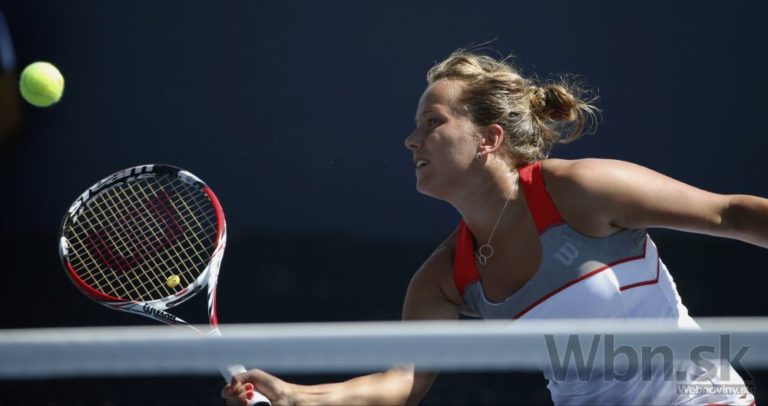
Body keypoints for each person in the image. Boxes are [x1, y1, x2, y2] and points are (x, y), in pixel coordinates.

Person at [222, 50, 764, 405]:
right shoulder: (444, 278)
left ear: (489, 138)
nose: (411, 140)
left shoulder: (580, 189)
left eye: (433, 122)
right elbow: (403, 383)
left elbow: (730, 214)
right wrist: (296, 396)